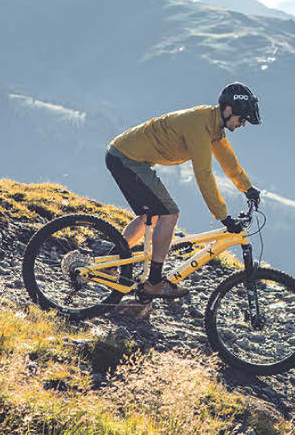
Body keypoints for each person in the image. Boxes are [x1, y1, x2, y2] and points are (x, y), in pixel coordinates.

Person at [105, 83, 262, 298]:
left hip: (125, 156)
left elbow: (229, 164)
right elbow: (204, 174)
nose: (243, 124)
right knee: (170, 213)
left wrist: (248, 188)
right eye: (242, 118)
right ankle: (154, 282)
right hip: (127, 159)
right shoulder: (199, 125)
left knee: (150, 214)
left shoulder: (213, 127)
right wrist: (223, 216)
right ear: (227, 110)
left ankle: (112, 261)